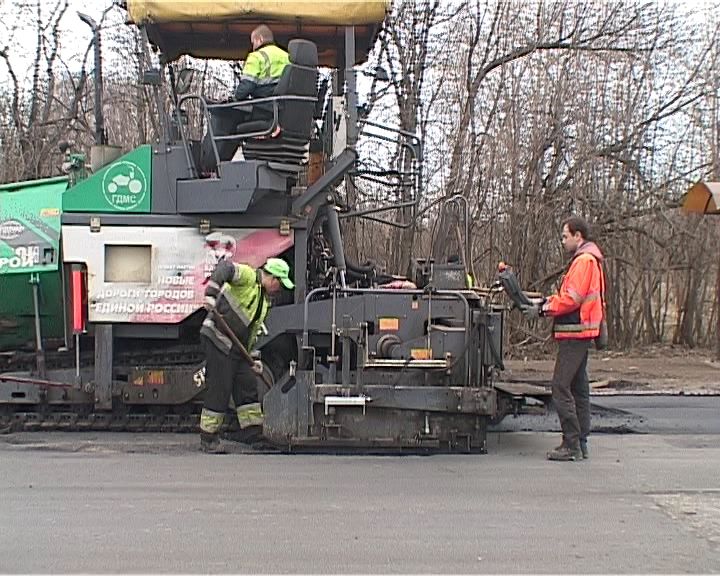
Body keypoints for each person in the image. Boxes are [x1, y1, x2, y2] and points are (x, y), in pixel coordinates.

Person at [522, 216, 605, 461]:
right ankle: (580, 442)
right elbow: (569, 296)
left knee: (560, 387)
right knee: (578, 388)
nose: (563, 241)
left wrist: (543, 309)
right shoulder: (589, 260)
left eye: (565, 236)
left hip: (575, 332)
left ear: (578, 236)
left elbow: (572, 299)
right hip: (580, 331)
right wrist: (545, 302)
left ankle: (571, 444)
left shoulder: (583, 262)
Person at [199, 257, 294, 453]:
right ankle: (208, 438)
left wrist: (253, 359)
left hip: (237, 347)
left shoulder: (264, 302)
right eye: (280, 284)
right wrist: (211, 294)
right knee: (220, 387)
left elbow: (251, 333)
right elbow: (225, 267)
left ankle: (252, 433)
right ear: (273, 279)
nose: (279, 290)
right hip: (218, 338)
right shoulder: (248, 276)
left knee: (247, 385)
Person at [200, 25, 290, 173]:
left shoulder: (257, 56)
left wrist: (233, 99)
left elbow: (246, 86)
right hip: (280, 111)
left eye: (253, 42)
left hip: (264, 112)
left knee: (225, 116)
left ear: (259, 39)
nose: (253, 46)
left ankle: (210, 166)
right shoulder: (286, 56)